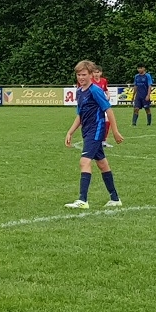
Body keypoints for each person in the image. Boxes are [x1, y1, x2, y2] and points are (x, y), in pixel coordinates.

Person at [64, 60, 124, 209]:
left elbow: (108, 110)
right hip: (87, 131)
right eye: (78, 75)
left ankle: (83, 200)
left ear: (91, 74)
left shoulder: (95, 90)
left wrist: (115, 131)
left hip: (96, 130)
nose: (81, 77)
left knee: (84, 162)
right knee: (103, 164)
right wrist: (70, 132)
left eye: (84, 74)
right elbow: (80, 115)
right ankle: (115, 199)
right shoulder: (79, 91)